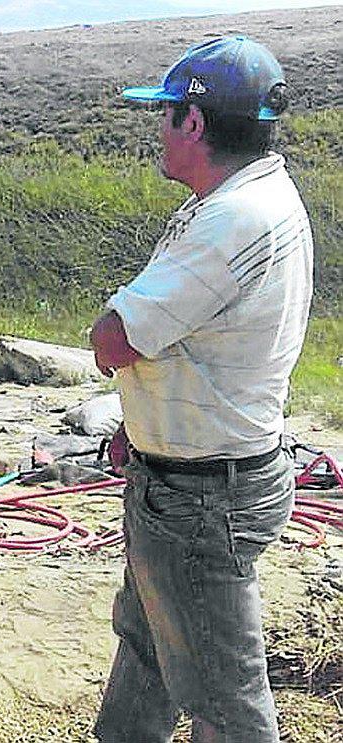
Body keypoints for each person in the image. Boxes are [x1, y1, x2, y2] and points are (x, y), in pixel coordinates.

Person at [89, 36, 312, 742]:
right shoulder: (247, 200)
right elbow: (202, 343)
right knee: (154, 639)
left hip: (201, 492)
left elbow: (115, 338)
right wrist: (142, 421)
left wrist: (115, 336)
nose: (158, 129)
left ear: (194, 121)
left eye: (164, 114)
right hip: (196, 475)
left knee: (221, 693)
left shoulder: (233, 219)